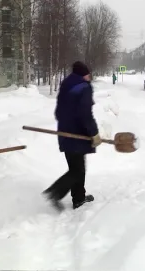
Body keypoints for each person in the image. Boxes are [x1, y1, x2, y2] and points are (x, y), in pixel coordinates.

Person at [43, 61, 101, 211]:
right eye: (88, 73)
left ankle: (79, 198)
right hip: (78, 134)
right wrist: (93, 133)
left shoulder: (66, 85)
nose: (89, 76)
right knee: (77, 170)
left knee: (77, 167)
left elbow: (58, 112)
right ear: (83, 74)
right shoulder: (84, 87)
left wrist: (66, 124)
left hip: (65, 132)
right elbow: (85, 114)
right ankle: (55, 193)